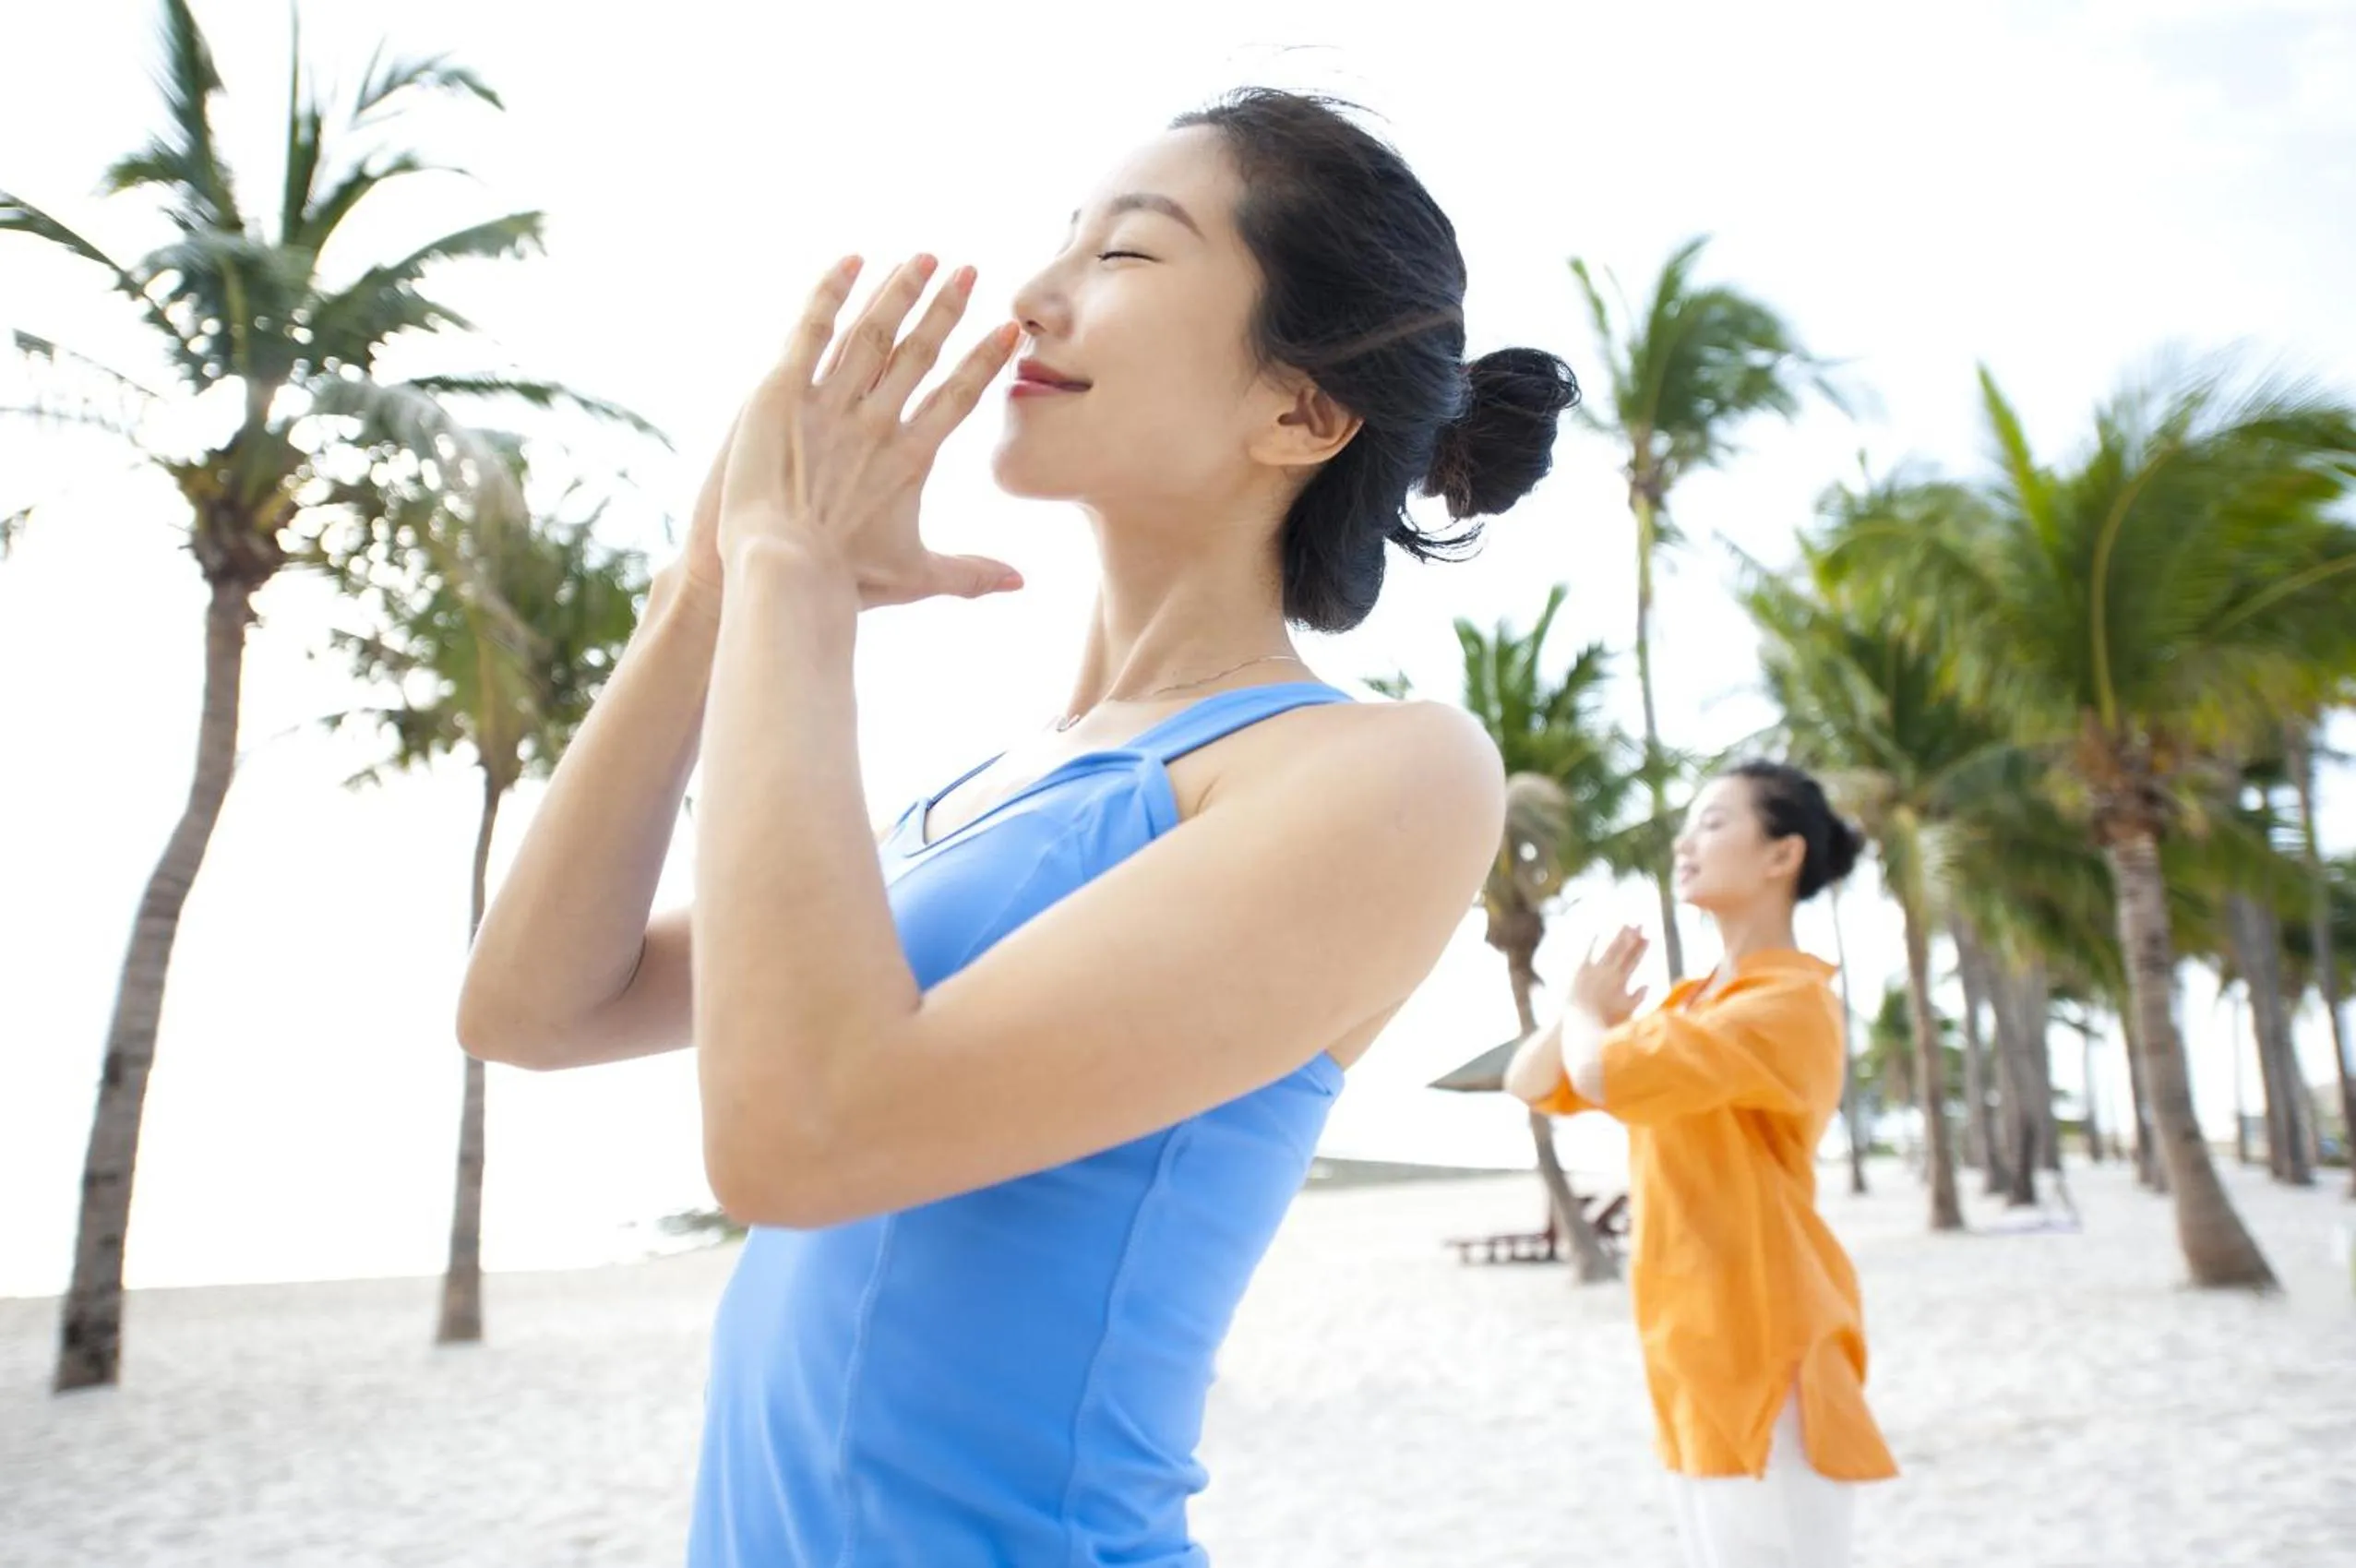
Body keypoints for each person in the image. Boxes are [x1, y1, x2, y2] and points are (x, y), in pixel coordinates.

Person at [458, 90, 1578, 1566]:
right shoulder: (978, 792)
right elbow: (533, 1002)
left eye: (1125, 255)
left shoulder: (1385, 770)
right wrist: (711, 588)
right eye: (1059, 239)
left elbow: (801, 1134)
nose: (1034, 295)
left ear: (1298, 410)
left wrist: (796, 576)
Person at [1505, 760, 1899, 1568]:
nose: (1685, 841)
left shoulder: (1786, 1002)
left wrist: (1588, 1015)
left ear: (1780, 856)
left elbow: (1599, 1073)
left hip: (1768, 1348)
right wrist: (1584, 1011)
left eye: (1714, 821)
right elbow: (1533, 1080)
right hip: (1689, 1346)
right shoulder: (1693, 1002)